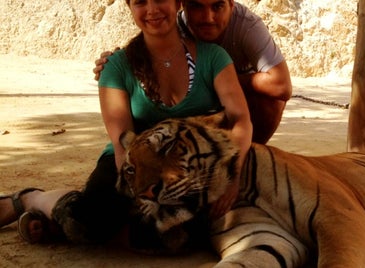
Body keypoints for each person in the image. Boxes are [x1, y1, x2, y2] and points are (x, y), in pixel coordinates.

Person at [0, 0, 251, 246]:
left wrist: (233, 174)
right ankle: (33, 199)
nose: (152, 9)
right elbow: (123, 146)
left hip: (186, 165)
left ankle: (56, 227)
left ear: (178, 4)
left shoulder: (213, 57)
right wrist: (142, 201)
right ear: (129, 7)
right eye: (140, 2)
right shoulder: (116, 67)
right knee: (89, 225)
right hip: (132, 166)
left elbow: (241, 119)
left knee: (193, 231)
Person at [94, 0, 292, 145]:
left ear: (231, 5)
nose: (207, 18)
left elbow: (281, 85)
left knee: (271, 100)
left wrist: (222, 78)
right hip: (198, 107)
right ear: (183, 6)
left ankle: (251, 152)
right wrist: (114, 64)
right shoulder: (173, 23)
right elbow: (147, 38)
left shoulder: (247, 25)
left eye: (217, 6)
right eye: (197, 6)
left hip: (230, 95)